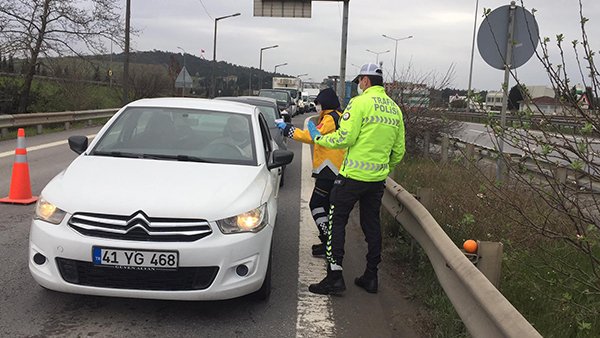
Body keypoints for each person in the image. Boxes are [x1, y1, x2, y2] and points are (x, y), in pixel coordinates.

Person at [306, 63, 406, 295]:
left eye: (359, 81)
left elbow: (344, 138)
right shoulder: (394, 109)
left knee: (336, 222)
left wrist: (320, 139)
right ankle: (371, 276)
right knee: (371, 225)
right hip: (377, 180)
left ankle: (334, 277)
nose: (359, 85)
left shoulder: (359, 103)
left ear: (366, 81)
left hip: (351, 178)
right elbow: (399, 151)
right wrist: (383, 168)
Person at [277, 87, 346, 257]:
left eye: (318, 104)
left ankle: (328, 240)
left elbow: (310, 137)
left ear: (326, 103)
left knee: (316, 204)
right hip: (335, 169)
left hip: (328, 170)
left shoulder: (330, 119)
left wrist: (287, 129)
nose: (317, 107)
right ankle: (328, 243)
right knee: (327, 208)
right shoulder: (339, 116)